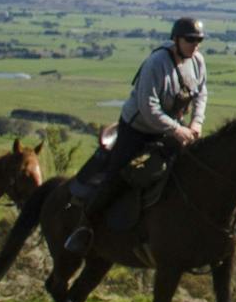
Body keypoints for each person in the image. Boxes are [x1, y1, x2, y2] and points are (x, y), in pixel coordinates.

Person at [65, 16, 208, 254]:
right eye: (190, 40)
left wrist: (197, 122)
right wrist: (176, 129)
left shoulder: (197, 61)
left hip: (172, 127)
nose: (195, 45)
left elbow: (201, 93)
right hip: (138, 130)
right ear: (176, 39)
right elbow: (148, 106)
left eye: (199, 40)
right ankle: (84, 226)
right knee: (117, 175)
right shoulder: (156, 63)